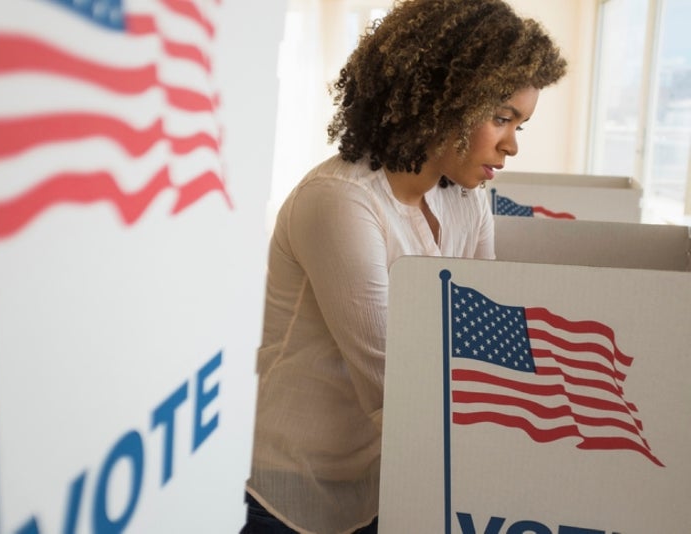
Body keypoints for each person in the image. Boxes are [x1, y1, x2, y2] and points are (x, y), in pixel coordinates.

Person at [241, 0, 567, 532]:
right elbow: (399, 382)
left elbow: (476, 345)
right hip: (290, 490)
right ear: (445, 99)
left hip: (386, 479)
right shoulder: (341, 201)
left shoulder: (467, 196)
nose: (510, 144)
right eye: (501, 117)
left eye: (520, 125)